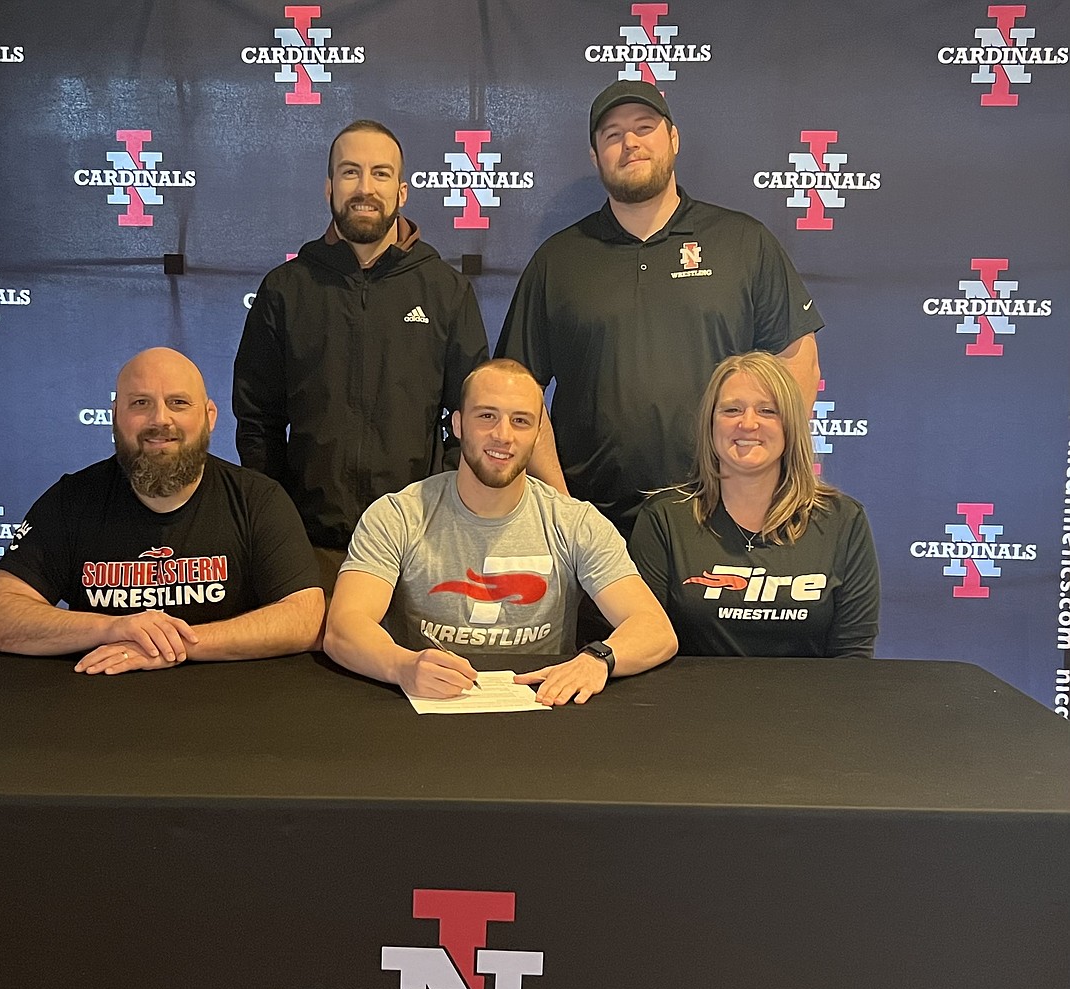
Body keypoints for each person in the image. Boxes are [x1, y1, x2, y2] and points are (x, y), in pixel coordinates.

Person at [496, 80, 824, 538]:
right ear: (596, 158)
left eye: (644, 128)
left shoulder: (742, 242)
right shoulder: (559, 260)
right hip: (594, 530)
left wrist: (761, 477)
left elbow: (797, 359)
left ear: (673, 139)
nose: (629, 143)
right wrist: (564, 506)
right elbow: (517, 390)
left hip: (722, 519)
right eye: (612, 135)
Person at [324, 359, 676, 704]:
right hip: (427, 711)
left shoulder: (575, 522)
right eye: (487, 416)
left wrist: (597, 659)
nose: (503, 435)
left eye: (520, 421)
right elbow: (344, 626)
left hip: (542, 713)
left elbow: (655, 629)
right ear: (458, 424)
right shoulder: (398, 515)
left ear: (538, 434)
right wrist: (400, 665)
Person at [233, 118, 489, 590]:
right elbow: (257, 421)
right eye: (350, 173)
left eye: (381, 173)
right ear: (329, 187)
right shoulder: (286, 289)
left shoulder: (445, 290)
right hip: (311, 548)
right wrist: (280, 519)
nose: (364, 187)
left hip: (419, 546)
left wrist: (443, 506)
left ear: (403, 191)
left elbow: (471, 417)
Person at [0, 347, 324, 675]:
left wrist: (170, 646)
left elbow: (305, 617)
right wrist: (112, 628)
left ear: (209, 416)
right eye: (140, 403)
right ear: (115, 417)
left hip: (228, 706)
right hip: (97, 701)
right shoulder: (71, 500)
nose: (161, 419)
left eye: (179, 403)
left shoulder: (257, 499)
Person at [629, 351, 878, 657]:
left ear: (790, 426)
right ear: (710, 423)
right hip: (693, 703)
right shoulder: (664, 519)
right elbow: (640, 639)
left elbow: (852, 656)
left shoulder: (843, 521)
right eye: (732, 409)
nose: (748, 423)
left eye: (767, 411)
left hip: (809, 704)